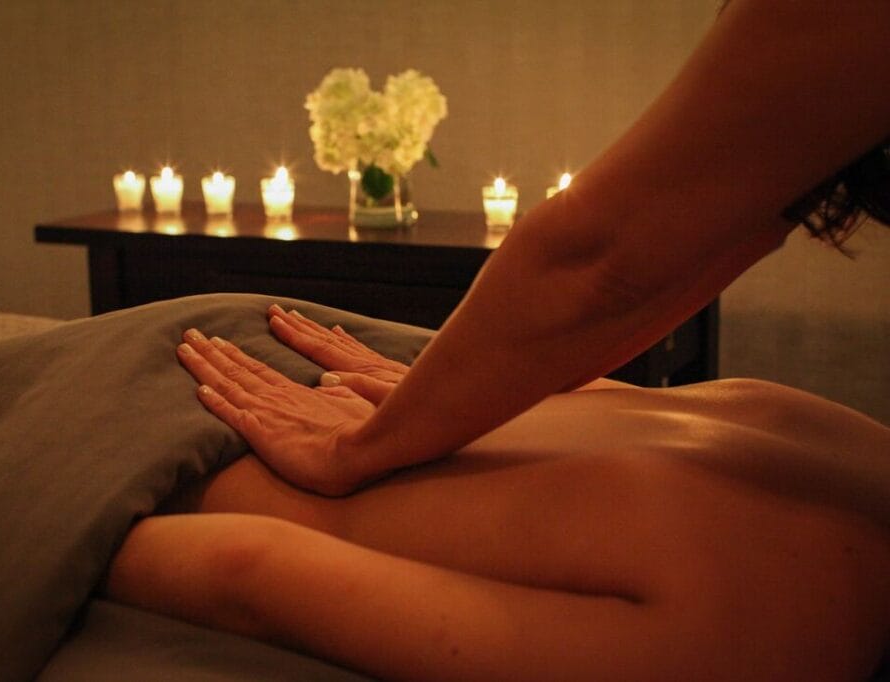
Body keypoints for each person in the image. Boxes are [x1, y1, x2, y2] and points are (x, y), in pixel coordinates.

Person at [106, 1, 890, 679]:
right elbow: (243, 572)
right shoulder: (782, 609)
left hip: (202, 387)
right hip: (204, 408)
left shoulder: (831, 452)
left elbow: (643, 253)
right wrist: (379, 437)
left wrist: (402, 420)